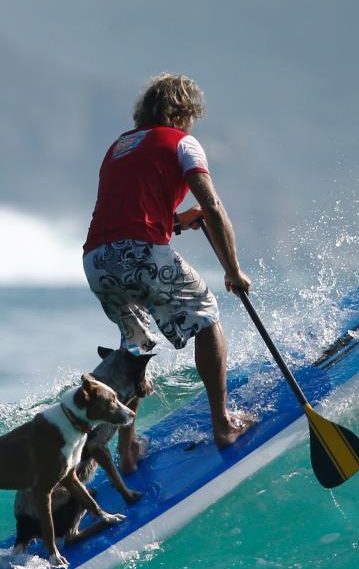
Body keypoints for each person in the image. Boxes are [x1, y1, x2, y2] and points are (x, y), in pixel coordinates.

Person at [82, 73, 256, 473]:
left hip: (97, 261)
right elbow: (213, 205)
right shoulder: (183, 142)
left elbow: (127, 218)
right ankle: (223, 424)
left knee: (136, 345)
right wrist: (234, 271)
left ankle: (126, 450)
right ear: (183, 112)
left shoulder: (119, 147)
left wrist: (176, 222)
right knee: (207, 316)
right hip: (140, 253)